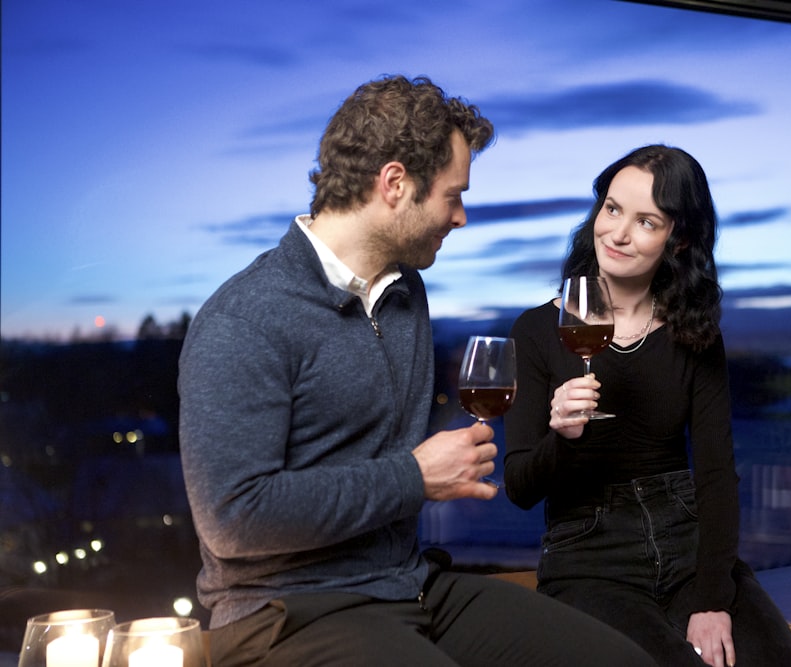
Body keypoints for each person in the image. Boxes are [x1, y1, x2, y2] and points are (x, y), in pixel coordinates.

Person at [178, 75, 658, 667]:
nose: (461, 217)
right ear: (395, 184)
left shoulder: (406, 293)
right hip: (284, 613)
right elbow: (233, 521)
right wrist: (414, 477)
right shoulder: (245, 318)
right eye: (452, 195)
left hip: (410, 586)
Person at [503, 145, 791, 667]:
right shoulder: (536, 331)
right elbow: (520, 488)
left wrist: (713, 599)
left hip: (688, 540)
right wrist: (563, 439)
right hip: (588, 556)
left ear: (677, 239)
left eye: (646, 221)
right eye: (612, 209)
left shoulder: (694, 335)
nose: (617, 233)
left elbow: (715, 474)